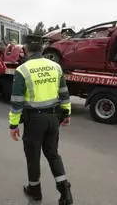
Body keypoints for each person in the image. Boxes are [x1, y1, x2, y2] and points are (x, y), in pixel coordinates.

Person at [8, 34, 73, 205]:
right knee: (53, 154)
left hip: (34, 121)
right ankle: (65, 192)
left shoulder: (23, 70)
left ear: (26, 50)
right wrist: (66, 113)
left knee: (33, 156)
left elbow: (17, 102)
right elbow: (64, 93)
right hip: (53, 119)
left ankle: (35, 190)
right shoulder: (56, 67)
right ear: (43, 49)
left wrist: (13, 124)